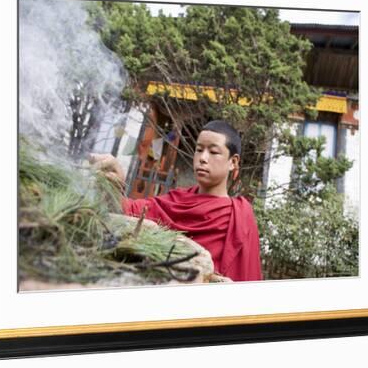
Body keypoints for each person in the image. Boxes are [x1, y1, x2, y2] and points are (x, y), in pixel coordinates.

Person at [90, 120, 262, 282]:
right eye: (199, 149)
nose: (203, 158)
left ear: (233, 162)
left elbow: (246, 277)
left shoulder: (240, 216)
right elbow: (127, 211)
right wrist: (114, 181)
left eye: (213, 152)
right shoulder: (176, 200)